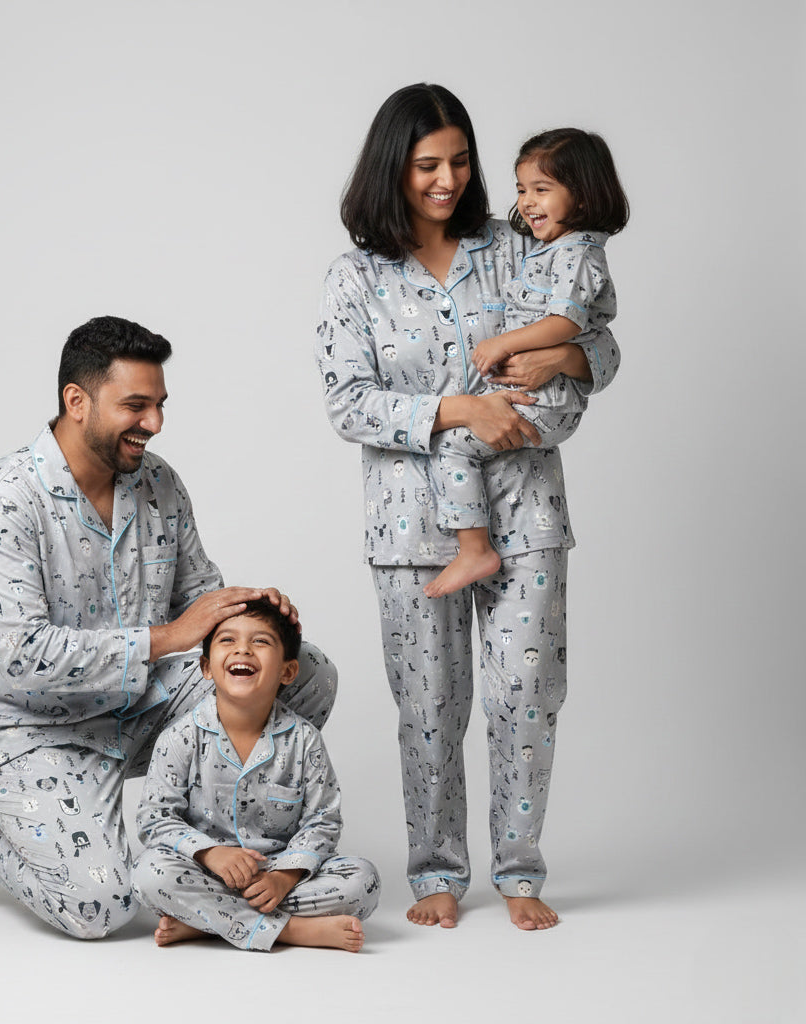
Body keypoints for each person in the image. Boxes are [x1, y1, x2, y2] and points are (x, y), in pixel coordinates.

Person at [316, 84, 619, 931]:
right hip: (412, 527)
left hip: (526, 508)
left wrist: (564, 368)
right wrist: (458, 409)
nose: (447, 180)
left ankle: (520, 874)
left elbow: (598, 338)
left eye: (458, 161)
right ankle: (438, 872)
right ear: (393, 170)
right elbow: (348, 404)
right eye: (426, 165)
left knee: (527, 691)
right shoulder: (356, 279)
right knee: (431, 703)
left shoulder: (516, 243)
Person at [0, 315, 336, 939]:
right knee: (102, 909)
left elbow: (198, 595)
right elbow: (22, 657)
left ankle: (212, 852)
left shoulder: (159, 483)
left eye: (159, 405)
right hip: (30, 726)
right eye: (136, 406)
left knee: (303, 674)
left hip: (140, 703)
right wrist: (169, 638)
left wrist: (253, 614)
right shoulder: (3, 501)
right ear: (77, 401)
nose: (154, 423)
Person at [425, 128, 628, 596]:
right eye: (522, 189)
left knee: (452, 445)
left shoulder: (576, 253)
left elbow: (569, 322)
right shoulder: (544, 248)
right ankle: (474, 547)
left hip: (545, 403)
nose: (528, 202)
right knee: (455, 440)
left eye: (542, 189)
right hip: (527, 403)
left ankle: (474, 550)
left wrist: (520, 348)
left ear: (582, 196)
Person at [131, 598, 380, 952]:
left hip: (278, 872)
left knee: (362, 882)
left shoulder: (304, 739)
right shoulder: (180, 737)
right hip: (205, 871)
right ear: (206, 667)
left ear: (287, 672)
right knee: (149, 874)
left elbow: (323, 821)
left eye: (260, 641)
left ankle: (208, 923)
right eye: (227, 640)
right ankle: (291, 931)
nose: (242, 650)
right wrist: (210, 855)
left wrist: (284, 877)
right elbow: (155, 818)